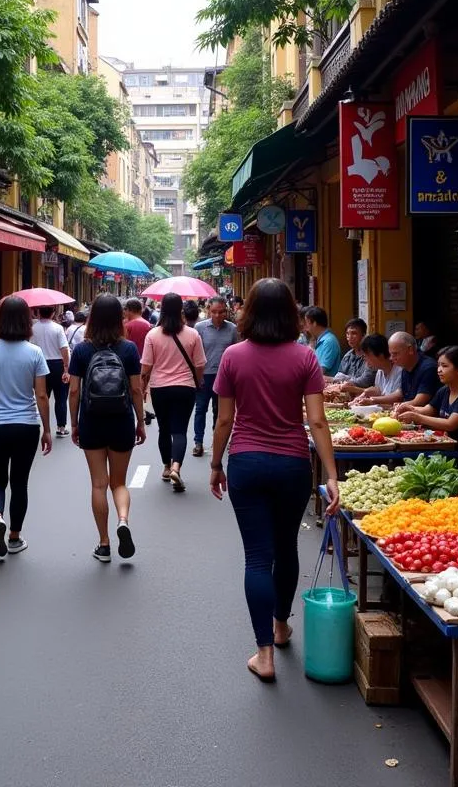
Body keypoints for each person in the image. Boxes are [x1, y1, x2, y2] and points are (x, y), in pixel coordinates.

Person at [208, 278, 340, 683]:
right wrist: (332, 475)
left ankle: (263, 653)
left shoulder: (233, 356)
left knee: (257, 558)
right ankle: (281, 625)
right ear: (290, 314)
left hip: (247, 463)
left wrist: (215, 464)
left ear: (247, 311)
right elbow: (316, 420)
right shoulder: (305, 358)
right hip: (292, 466)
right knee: (286, 549)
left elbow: (225, 420)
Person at [68, 293, 147, 562]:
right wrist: (141, 422)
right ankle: (123, 520)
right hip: (122, 420)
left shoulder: (81, 350)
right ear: (119, 318)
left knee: (98, 484)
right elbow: (136, 389)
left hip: (91, 421)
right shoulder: (128, 350)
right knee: (119, 483)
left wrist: (74, 424)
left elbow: (74, 391)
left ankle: (104, 543)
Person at [0, 296, 52, 556]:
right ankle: (15, 537)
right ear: (25, 320)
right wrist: (48, 429)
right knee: (20, 482)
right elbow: (41, 395)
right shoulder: (34, 352)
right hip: (26, 426)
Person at [141, 292, 206, 491]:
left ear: (162, 309)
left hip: (160, 388)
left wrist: (143, 387)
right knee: (179, 430)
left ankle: (167, 467)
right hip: (185, 388)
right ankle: (177, 467)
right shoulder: (192, 334)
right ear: (181, 310)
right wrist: (198, 379)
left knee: (164, 429)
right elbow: (200, 364)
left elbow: (146, 367)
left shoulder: (152, 334)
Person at [396, 346, 458, 465]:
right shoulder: (444, 391)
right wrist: (410, 409)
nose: (439, 370)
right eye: (438, 365)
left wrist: (417, 417)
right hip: (447, 452)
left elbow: (450, 424)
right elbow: (428, 410)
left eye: (444, 366)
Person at [193, 296, 237, 457]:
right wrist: (197, 376)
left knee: (221, 412)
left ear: (226, 311)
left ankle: (217, 441)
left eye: (221, 312)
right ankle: (198, 442)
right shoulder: (200, 328)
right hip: (204, 375)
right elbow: (194, 354)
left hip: (224, 377)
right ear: (208, 311)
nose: (218, 315)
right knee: (200, 409)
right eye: (214, 312)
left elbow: (236, 354)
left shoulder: (232, 329)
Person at [30, 306, 71, 437]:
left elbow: (30, 348)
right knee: (61, 397)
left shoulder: (33, 329)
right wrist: (66, 368)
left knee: (42, 396)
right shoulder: (58, 328)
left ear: (38, 312)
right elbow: (64, 349)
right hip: (57, 365)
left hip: (39, 364)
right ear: (53, 313)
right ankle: (61, 427)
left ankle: (41, 425)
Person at [389, 331, 438, 409]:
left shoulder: (429, 368)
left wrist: (400, 406)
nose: (391, 358)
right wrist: (373, 400)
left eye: (395, 354)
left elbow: (420, 402)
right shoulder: (405, 367)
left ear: (410, 349)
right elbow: (401, 394)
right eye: (390, 354)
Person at [353, 334, 404, 406]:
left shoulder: (400, 371)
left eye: (367, 356)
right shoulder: (380, 372)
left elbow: (398, 398)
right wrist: (365, 395)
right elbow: (378, 391)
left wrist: (372, 400)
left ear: (381, 355)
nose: (365, 360)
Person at [333, 318, 375, 395]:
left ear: (363, 335)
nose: (350, 337)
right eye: (347, 334)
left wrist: (344, 379)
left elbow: (365, 381)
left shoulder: (370, 355)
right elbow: (338, 376)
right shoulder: (348, 356)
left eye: (354, 333)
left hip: (365, 396)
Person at [303, 306, 341, 376]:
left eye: (307, 323)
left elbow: (320, 371)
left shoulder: (329, 341)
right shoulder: (319, 340)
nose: (306, 327)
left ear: (314, 323)